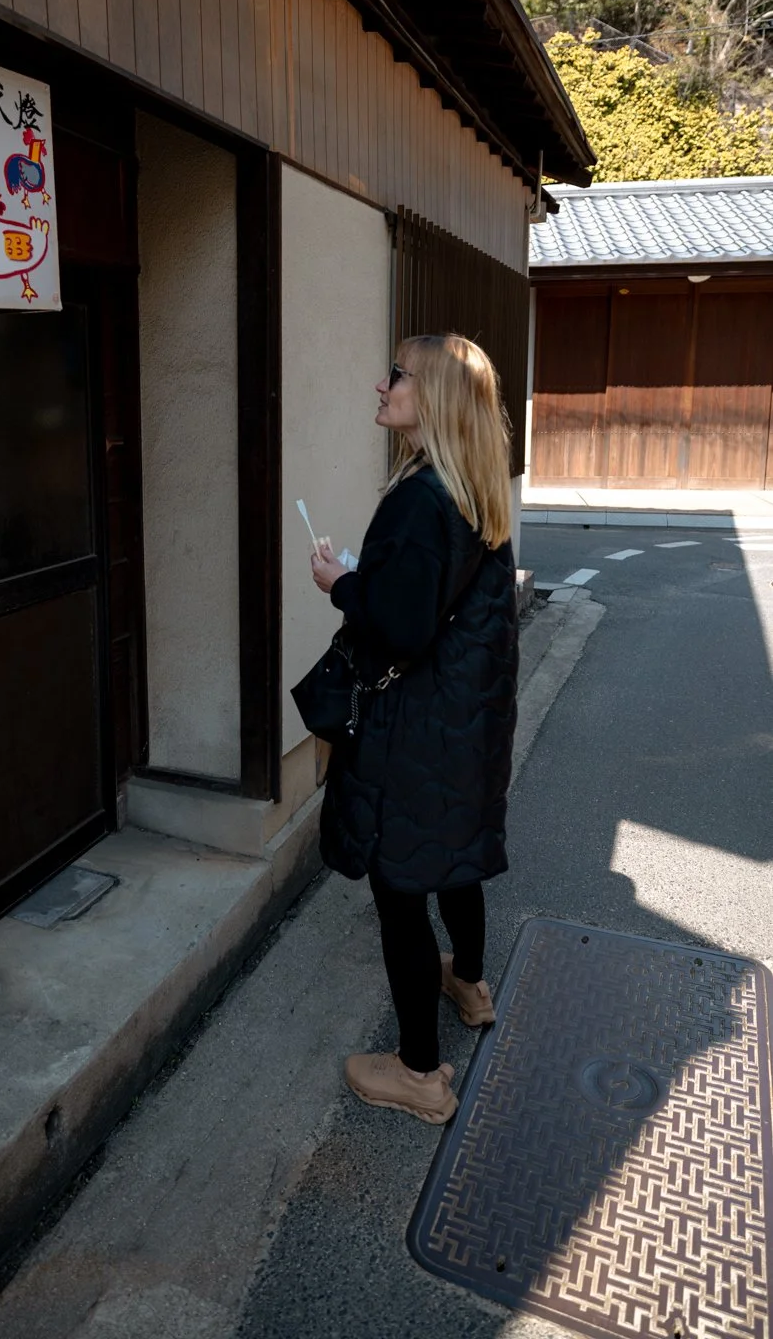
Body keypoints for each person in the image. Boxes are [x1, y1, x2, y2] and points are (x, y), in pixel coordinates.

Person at [309, 333, 518, 1125]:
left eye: (394, 374)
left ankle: (421, 1074)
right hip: (467, 720)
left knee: (400, 889)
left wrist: (341, 583)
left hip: (416, 725)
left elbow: (396, 627)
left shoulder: (416, 498)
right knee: (454, 857)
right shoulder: (474, 488)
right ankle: (467, 980)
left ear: (427, 394)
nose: (380, 384)